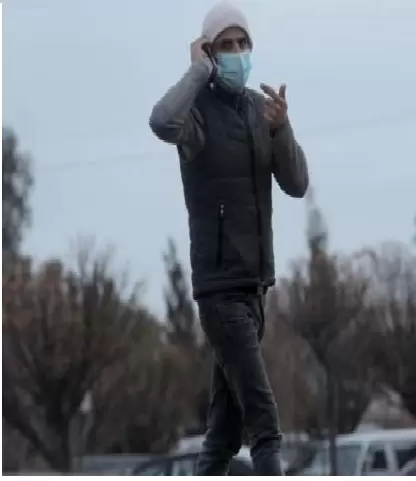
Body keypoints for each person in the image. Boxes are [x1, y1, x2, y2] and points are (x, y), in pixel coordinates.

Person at [148, 0, 309, 476]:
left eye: (243, 43)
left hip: (256, 287)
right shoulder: (194, 114)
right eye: (225, 45)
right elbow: (161, 122)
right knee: (264, 424)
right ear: (209, 52)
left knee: (223, 433)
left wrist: (281, 130)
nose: (237, 53)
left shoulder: (261, 110)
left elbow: (297, 184)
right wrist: (196, 72)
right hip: (220, 292)